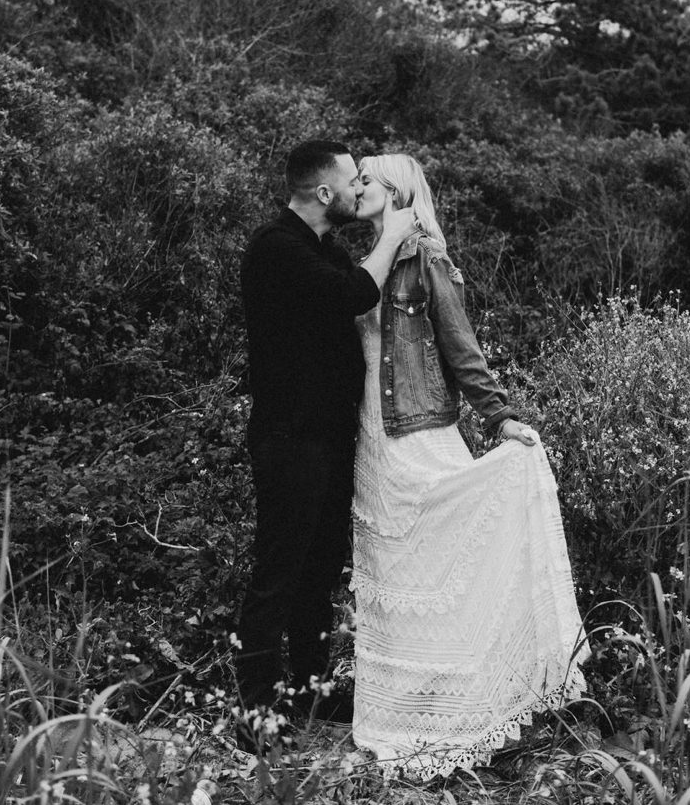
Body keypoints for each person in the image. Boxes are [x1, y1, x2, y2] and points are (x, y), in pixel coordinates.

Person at [348, 151, 587, 777]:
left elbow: (461, 345)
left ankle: (466, 705)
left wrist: (498, 415)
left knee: (440, 557)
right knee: (395, 560)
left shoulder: (425, 254)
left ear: (397, 190)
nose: (357, 186)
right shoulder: (366, 262)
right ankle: (406, 709)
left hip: (418, 427)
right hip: (372, 435)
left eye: (368, 178)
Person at [236, 135, 412, 722]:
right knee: (279, 571)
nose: (358, 185)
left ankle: (307, 692)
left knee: (318, 571)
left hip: (332, 438)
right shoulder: (276, 248)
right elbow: (354, 295)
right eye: (352, 177)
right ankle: (256, 709)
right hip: (289, 438)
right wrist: (390, 236)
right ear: (322, 189)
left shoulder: (325, 247)